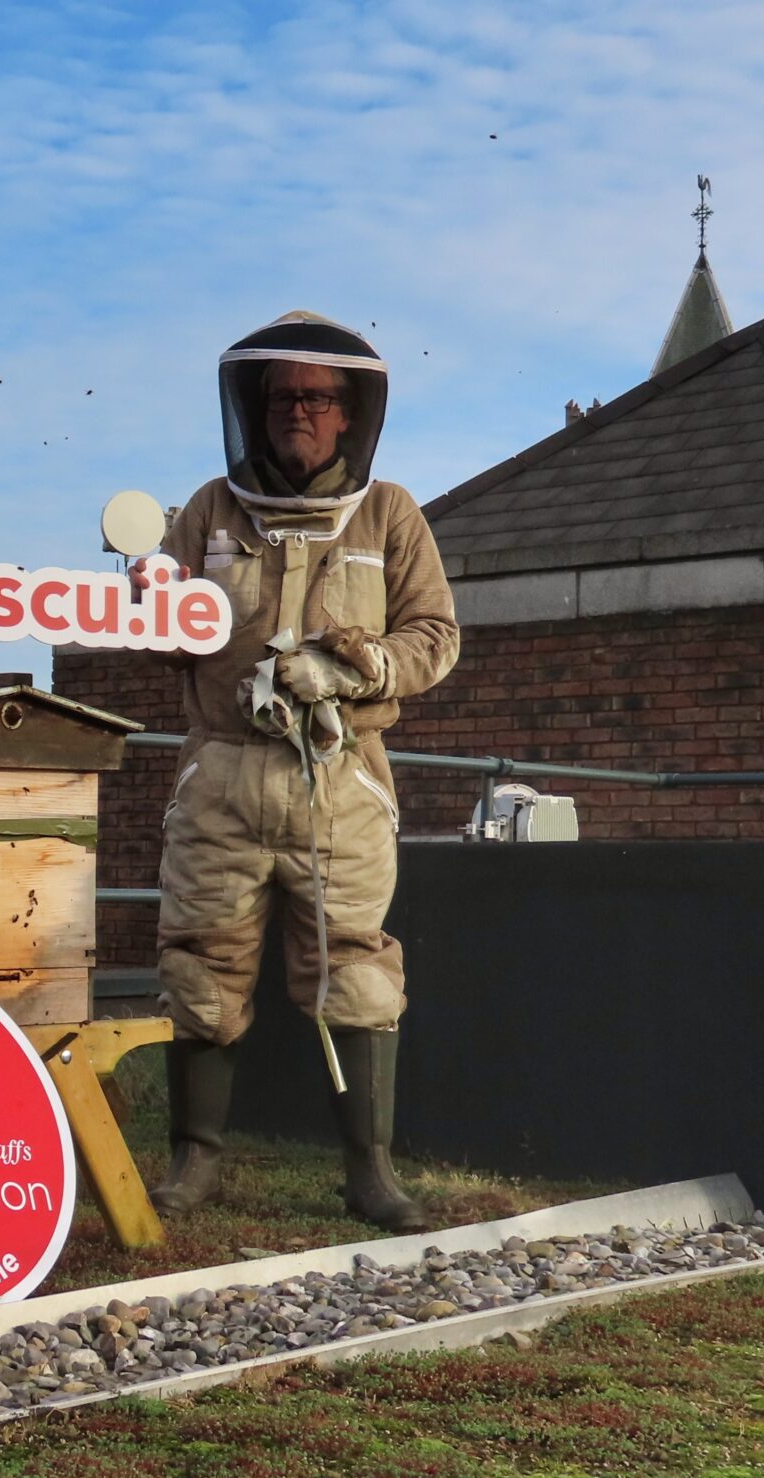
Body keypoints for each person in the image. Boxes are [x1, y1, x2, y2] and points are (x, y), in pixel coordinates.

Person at [134, 312, 459, 1230]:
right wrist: (147, 604)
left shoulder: (390, 512)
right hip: (223, 773)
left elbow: (435, 636)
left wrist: (359, 668)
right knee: (200, 963)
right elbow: (159, 643)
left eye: (319, 398)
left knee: (354, 966)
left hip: (338, 776)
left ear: (351, 414)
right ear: (255, 405)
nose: (299, 413)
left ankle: (371, 1173)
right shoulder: (207, 511)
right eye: (283, 397)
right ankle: (192, 1166)